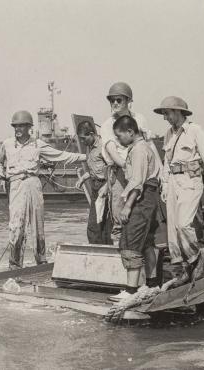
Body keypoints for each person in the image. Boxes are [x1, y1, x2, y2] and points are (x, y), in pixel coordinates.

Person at [154, 96, 204, 285]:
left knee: (183, 224)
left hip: (190, 181)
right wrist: (165, 185)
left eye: (167, 113)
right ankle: (183, 270)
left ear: (178, 112)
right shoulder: (168, 134)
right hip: (172, 182)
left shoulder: (195, 130)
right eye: (163, 113)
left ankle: (195, 258)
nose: (165, 117)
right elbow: (166, 162)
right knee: (173, 231)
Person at [0, 110, 86, 269]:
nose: (18, 129)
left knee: (37, 225)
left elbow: (60, 156)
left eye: (22, 125)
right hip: (16, 184)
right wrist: (1, 176)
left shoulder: (38, 144)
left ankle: (41, 261)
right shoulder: (7, 144)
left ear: (29, 127)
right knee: (16, 225)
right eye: (16, 126)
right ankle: (14, 264)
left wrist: (84, 157)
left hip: (33, 183)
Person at [100, 82, 162, 242]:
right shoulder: (107, 125)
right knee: (119, 216)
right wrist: (128, 167)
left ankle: (142, 258)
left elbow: (149, 145)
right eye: (111, 100)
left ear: (128, 101)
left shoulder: (140, 119)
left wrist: (161, 171)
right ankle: (120, 256)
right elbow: (112, 151)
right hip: (121, 172)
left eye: (118, 100)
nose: (114, 103)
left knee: (144, 215)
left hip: (143, 171)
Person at [108, 115, 160, 301]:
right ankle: (152, 285)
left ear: (130, 132)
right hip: (151, 199)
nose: (118, 140)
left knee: (130, 242)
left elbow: (137, 182)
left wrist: (127, 207)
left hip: (141, 199)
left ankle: (131, 291)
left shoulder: (138, 150)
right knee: (146, 243)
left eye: (120, 136)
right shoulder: (144, 147)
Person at [75, 120, 112, 244]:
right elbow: (94, 169)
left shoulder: (104, 146)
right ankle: (99, 250)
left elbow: (114, 169)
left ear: (91, 134)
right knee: (97, 224)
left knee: (99, 225)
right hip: (96, 187)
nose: (82, 141)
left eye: (83, 138)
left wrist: (106, 187)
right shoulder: (89, 147)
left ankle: (101, 250)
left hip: (105, 187)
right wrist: (82, 178)